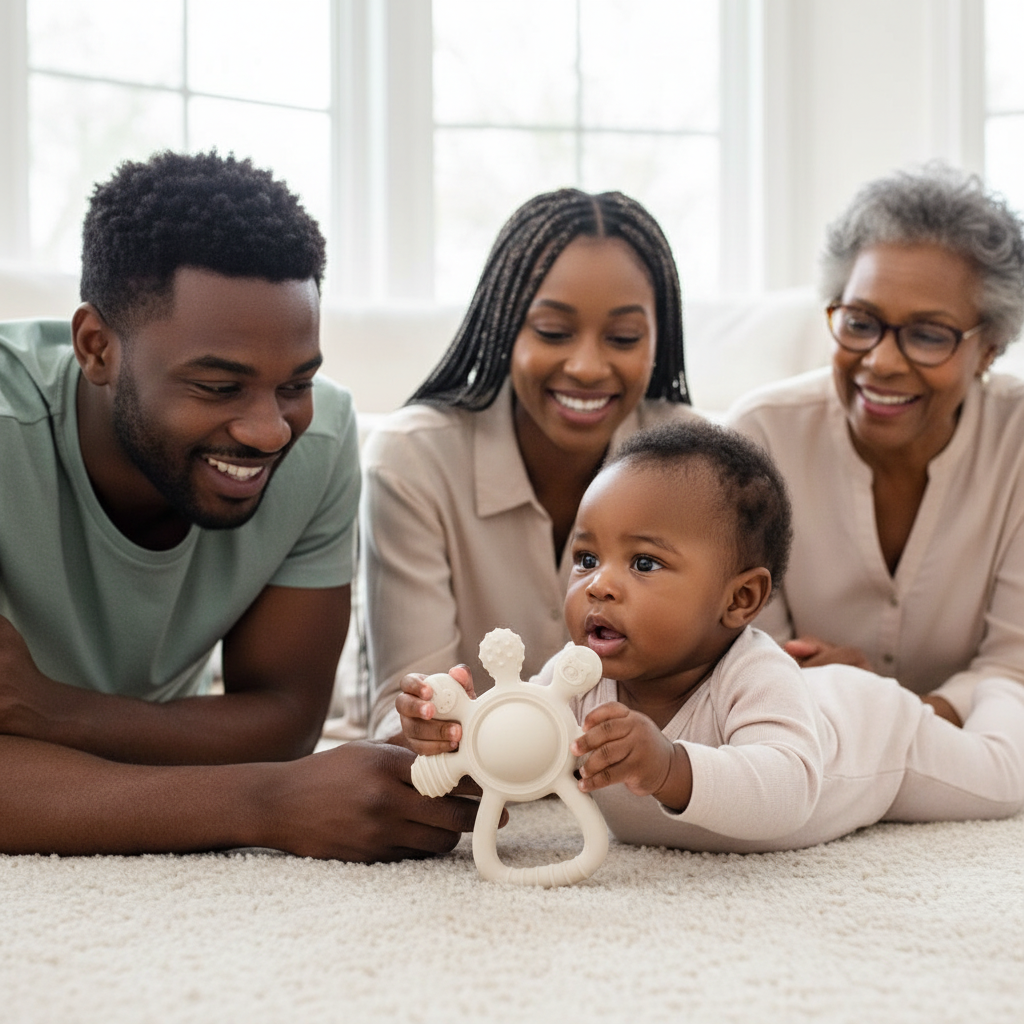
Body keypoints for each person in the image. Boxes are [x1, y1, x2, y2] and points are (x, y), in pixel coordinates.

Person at [0, 150, 477, 859]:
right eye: (219, 387)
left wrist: (54, 713)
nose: (269, 430)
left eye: (295, 384)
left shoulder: (321, 442)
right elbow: (272, 760)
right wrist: (268, 803)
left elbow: (284, 720)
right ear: (96, 348)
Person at [400, 421, 1024, 852]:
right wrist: (455, 732)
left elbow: (788, 792)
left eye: (643, 564)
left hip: (873, 733)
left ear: (740, 599)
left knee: (1002, 779)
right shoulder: (578, 675)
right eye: (587, 559)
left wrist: (670, 765)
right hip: (830, 699)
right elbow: (520, 752)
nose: (599, 586)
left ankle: (990, 692)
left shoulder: (755, 673)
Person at [362, 188, 700, 740]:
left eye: (622, 337)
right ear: (503, 327)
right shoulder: (412, 461)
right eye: (552, 331)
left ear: (658, 340)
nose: (587, 367)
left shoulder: (694, 460)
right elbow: (399, 723)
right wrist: (424, 722)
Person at [727, 164, 1024, 729]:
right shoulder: (759, 438)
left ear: (989, 347)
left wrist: (876, 708)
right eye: (861, 323)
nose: (881, 362)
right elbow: (747, 659)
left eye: (929, 335)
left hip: (977, 752)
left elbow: (1015, 668)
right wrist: (818, 688)